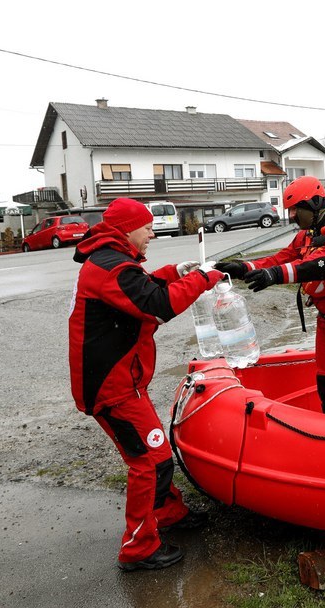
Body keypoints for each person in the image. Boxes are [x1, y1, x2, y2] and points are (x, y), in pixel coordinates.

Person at [68, 197, 224, 572]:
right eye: (148, 226)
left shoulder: (111, 260)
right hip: (111, 390)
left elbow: (140, 288)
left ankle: (167, 513)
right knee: (149, 461)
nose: (153, 233)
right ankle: (138, 549)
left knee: (154, 453)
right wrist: (202, 278)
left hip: (125, 384)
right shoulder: (109, 266)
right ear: (127, 229)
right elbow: (156, 306)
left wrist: (174, 271)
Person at [215, 176, 325, 419]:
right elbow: (279, 260)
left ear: (315, 204)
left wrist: (275, 276)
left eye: (296, 210)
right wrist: (242, 268)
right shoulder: (306, 237)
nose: (291, 217)